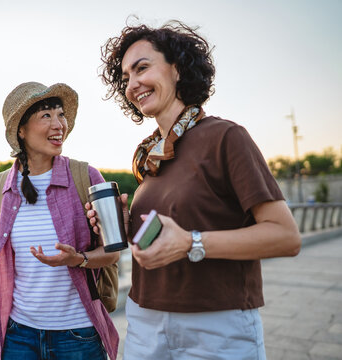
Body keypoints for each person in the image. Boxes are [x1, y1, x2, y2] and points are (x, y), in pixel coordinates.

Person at [90, 20, 302, 359]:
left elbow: (286, 237)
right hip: (144, 320)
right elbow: (163, 236)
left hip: (215, 325)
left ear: (177, 69)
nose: (132, 84)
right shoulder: (150, 155)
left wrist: (191, 242)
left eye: (142, 68)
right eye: (126, 77)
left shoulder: (225, 137)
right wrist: (123, 228)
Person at [0, 82, 119, 360]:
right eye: (46, 116)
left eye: (61, 115)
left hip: (77, 335)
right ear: (21, 129)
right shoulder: (0, 187)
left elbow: (113, 252)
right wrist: (0, 315)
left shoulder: (88, 177)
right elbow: (13, 265)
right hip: (19, 334)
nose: (59, 125)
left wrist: (78, 258)